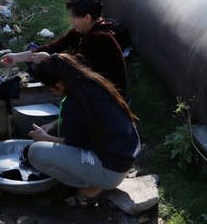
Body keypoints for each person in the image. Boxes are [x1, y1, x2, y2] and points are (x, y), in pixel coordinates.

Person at [26, 53, 140, 204]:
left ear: (59, 84)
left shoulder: (73, 102)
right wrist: (53, 124)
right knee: (55, 141)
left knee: (35, 152)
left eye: (50, 88)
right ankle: (95, 179)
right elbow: (88, 120)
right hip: (124, 156)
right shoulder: (94, 81)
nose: (52, 91)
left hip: (110, 171)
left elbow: (74, 142)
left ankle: (91, 185)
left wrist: (44, 138)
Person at [1, 0, 127, 94]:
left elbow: (77, 68)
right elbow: (54, 47)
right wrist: (17, 57)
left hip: (110, 94)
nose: (72, 21)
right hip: (93, 85)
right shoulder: (82, 31)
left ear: (87, 18)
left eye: (74, 17)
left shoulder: (99, 38)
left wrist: (49, 60)